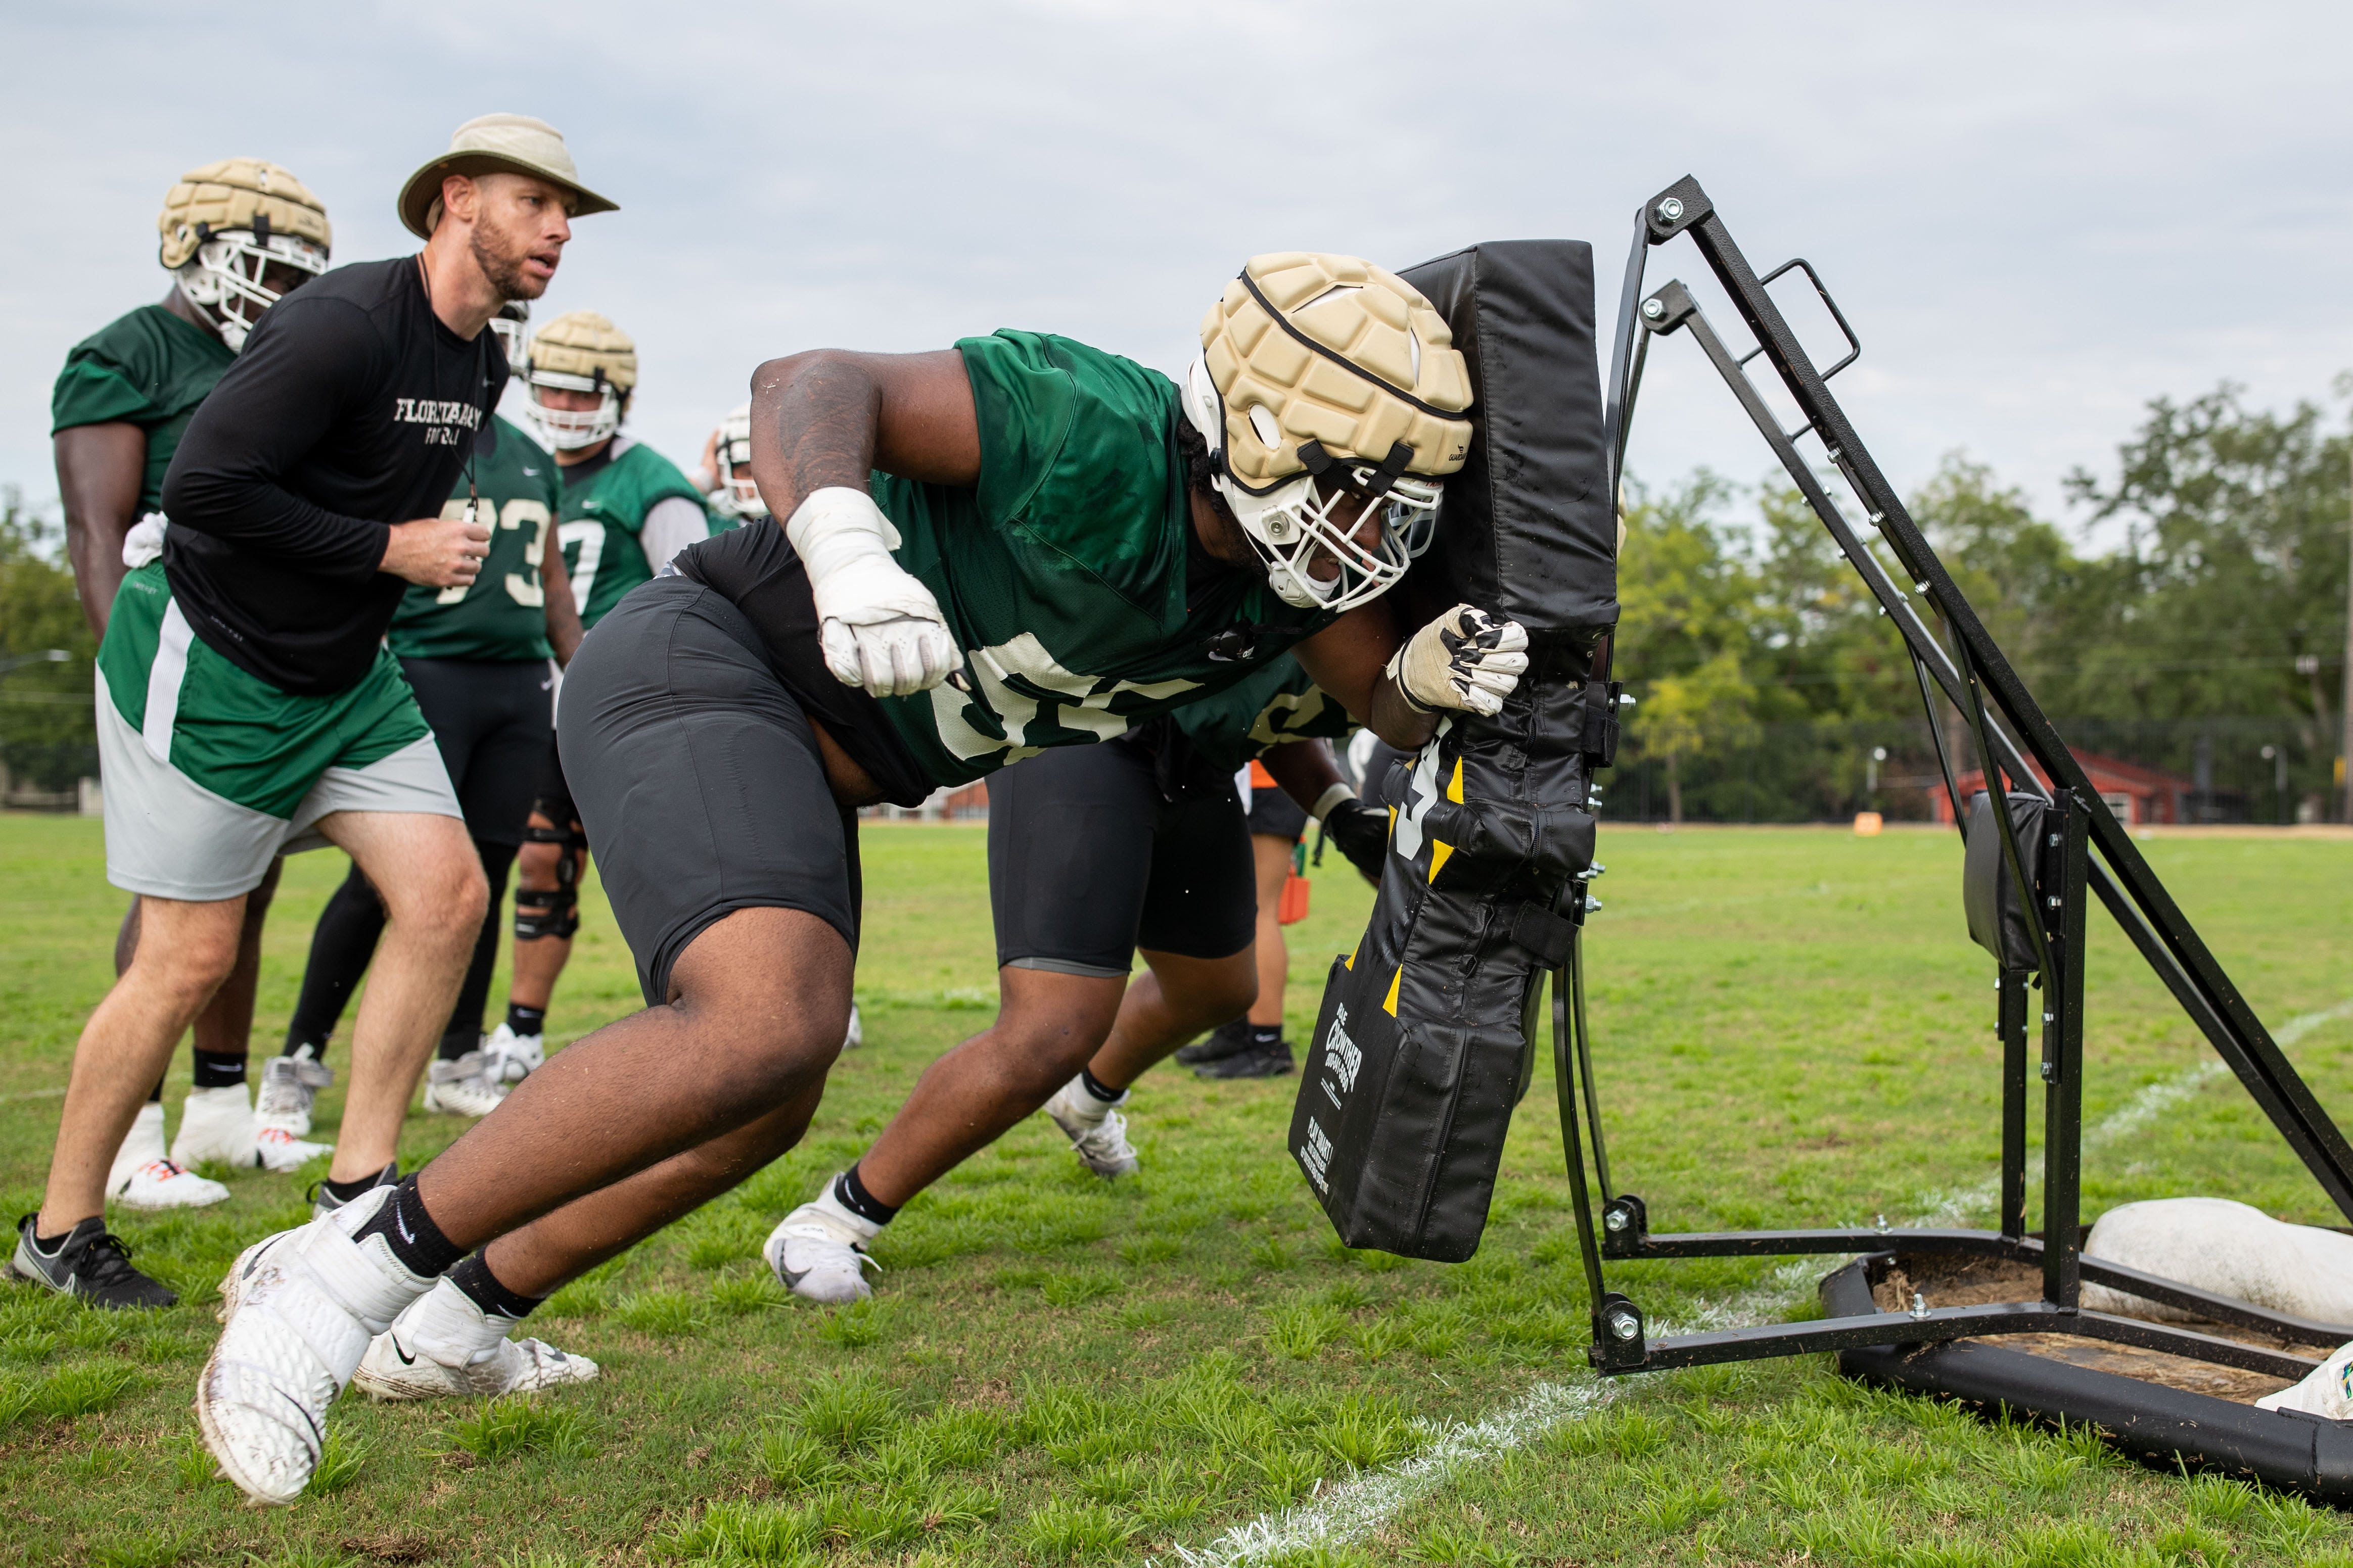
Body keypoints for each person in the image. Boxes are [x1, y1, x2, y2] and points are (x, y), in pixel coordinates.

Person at [194, 251, 1529, 1503]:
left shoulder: (1291, 580)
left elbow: (1385, 697)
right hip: (707, 658)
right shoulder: (1088, 422)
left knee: (769, 1091)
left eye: (1394, 503)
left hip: (819, 759)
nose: (1371, 529)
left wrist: (1428, 679)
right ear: (1246, 424)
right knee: (764, 1016)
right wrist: (840, 536)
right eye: (1351, 484)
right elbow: (813, 381)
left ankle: (455, 1318)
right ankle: (331, 1276)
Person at [12, 114, 607, 1315]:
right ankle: (62, 1229)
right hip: (216, 663)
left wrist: (384, 570)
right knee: (188, 955)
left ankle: (356, 1196)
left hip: (346, 677)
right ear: (455, 200)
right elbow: (206, 490)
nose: (558, 229)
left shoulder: (481, 357)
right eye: (536, 202)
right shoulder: (339, 324)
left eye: (569, 214)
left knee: (447, 899)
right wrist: (392, 547)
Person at [766, 653, 1391, 1303]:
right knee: (1051, 1027)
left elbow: (1276, 711)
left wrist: (1340, 810)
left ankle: (1086, 1097)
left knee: (1220, 987)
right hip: (1081, 718)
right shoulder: (1336, 591)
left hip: (1196, 758)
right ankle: (834, 1217)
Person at [43, 160, 337, 1212]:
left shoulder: (278, 360)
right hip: (166, 659)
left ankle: (219, 1106)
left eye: (300, 279)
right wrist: (132, 692)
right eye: (263, 267)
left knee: (247, 884)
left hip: (259, 661)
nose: (279, 294)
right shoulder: (128, 353)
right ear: (193, 249)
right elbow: (98, 535)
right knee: (176, 903)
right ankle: (131, 1136)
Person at [262, 299, 586, 1132]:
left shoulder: (529, 456)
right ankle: (300, 1057)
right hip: (421, 672)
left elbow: (551, 584)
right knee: (382, 879)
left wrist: (582, 675)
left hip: (517, 687)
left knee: (480, 879)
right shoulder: (404, 434)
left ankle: (458, 1055)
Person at [473, 310, 716, 1095]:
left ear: (617, 395)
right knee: (538, 862)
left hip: (624, 710)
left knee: (673, 865)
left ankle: (712, 1007)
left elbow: (691, 592)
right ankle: (518, 1028)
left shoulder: (649, 480)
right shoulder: (512, 465)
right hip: (529, 700)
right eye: (549, 388)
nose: (563, 406)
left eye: (581, 394)